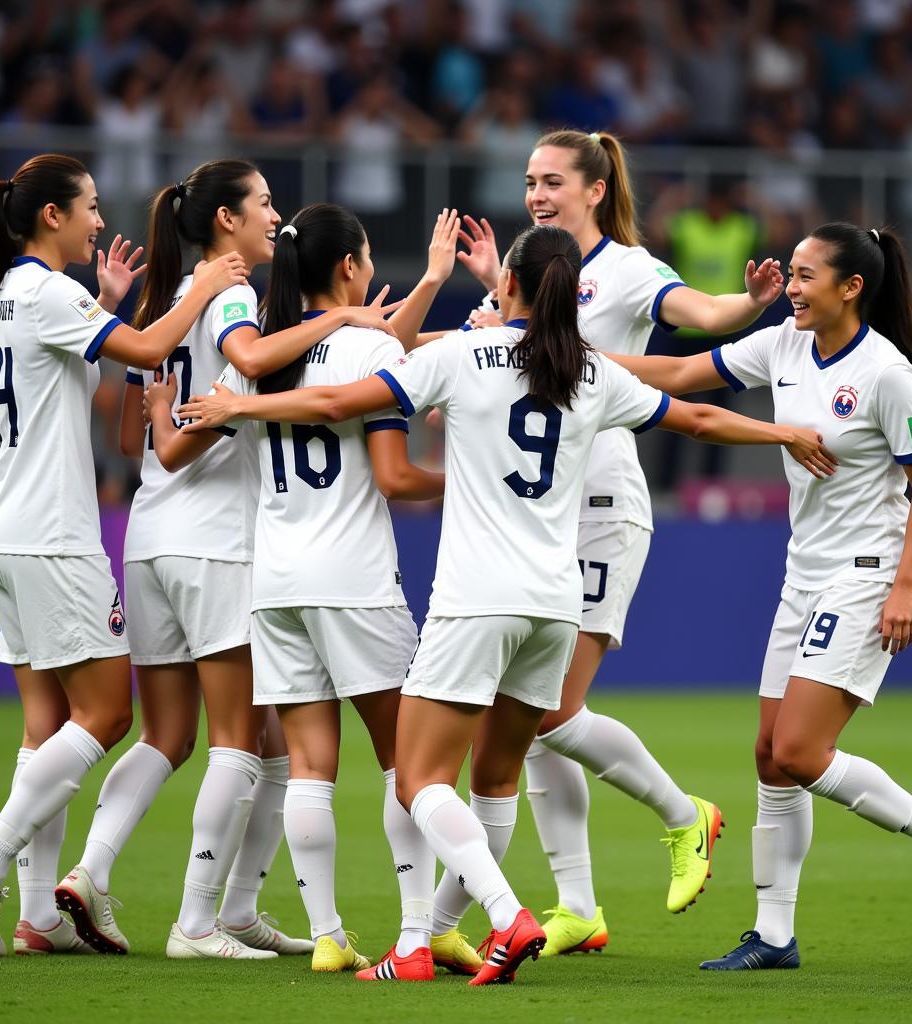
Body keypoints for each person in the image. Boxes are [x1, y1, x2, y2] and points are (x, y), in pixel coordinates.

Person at [175, 223, 829, 985]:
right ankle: (433, 938)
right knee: (495, 777)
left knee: (420, 780)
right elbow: (701, 418)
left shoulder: (459, 358)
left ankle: (494, 918)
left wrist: (238, 410)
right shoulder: (588, 369)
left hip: (473, 601)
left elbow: (328, 402)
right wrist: (785, 431)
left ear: (508, 283)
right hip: (554, 608)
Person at [443, 129, 787, 957]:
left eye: (553, 180)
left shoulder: (628, 268)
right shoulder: (535, 268)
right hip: (543, 517)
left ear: (596, 189)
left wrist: (748, 304)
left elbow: (699, 318)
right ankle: (579, 904)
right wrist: (495, 296)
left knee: (549, 710)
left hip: (601, 505)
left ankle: (684, 814)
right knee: (528, 716)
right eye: (529, 180)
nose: (536, 193)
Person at [60, 159, 402, 960]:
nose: (273, 218)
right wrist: (340, 323)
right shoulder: (233, 293)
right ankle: (197, 921)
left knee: (173, 735)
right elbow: (249, 364)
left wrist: (184, 421)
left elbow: (130, 439)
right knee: (240, 741)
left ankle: (98, 871)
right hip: (219, 542)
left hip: (148, 537)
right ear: (226, 222)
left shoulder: (163, 304)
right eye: (263, 204)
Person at [607, 222, 912, 968]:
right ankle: (775, 936)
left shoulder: (886, 372)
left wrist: (906, 586)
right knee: (772, 758)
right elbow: (676, 378)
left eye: (805, 276)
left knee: (803, 751)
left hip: (867, 573)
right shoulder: (781, 345)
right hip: (803, 572)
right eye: (791, 274)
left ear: (852, 288)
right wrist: (562, 356)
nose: (790, 288)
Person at [146, 203, 459, 978]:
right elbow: (393, 474)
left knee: (311, 765)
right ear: (352, 268)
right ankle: (417, 929)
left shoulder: (253, 362)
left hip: (274, 582)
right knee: (406, 765)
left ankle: (327, 935)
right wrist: (471, 482)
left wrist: (157, 414)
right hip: (354, 580)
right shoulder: (366, 352)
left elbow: (178, 446)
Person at [0, 153, 247, 958]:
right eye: (86, 207)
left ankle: (41, 915)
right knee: (110, 714)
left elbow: (92, 361)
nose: (98, 220)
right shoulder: (49, 291)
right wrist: (211, 288)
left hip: (2, 533)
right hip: (53, 535)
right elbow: (149, 353)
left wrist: (109, 304)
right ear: (52, 215)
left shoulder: (8, 293)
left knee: (48, 725)